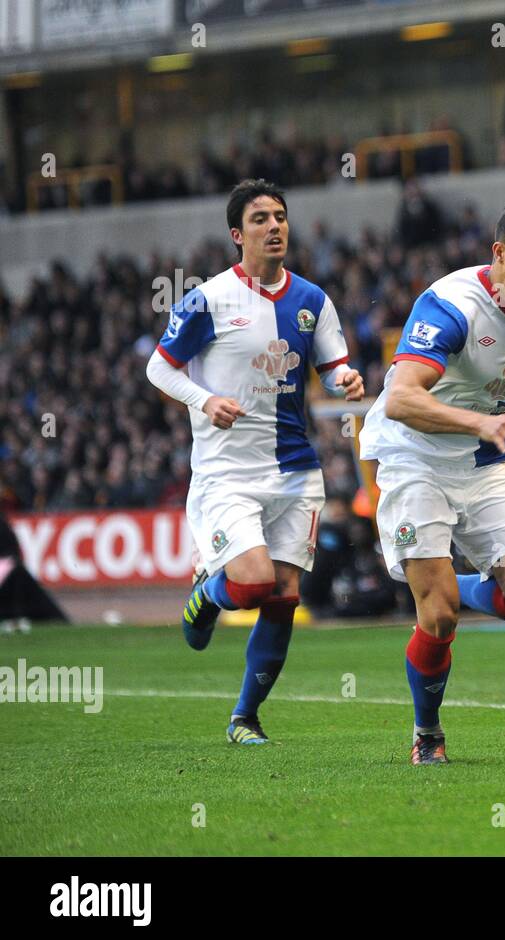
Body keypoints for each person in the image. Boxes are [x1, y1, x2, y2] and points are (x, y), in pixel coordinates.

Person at [358, 201, 505, 765]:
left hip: (483, 462)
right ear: (499, 253)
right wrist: (481, 420)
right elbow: (402, 398)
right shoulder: (450, 307)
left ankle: (450, 586)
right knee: (437, 618)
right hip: (414, 456)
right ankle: (428, 732)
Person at [146, 178, 365, 745]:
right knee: (250, 584)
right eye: (262, 218)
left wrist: (345, 380)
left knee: (284, 595)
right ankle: (206, 595)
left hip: (296, 469)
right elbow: (159, 368)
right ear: (236, 234)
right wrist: (204, 399)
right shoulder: (207, 299)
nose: (275, 226)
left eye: (281, 216)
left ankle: (245, 717)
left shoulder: (313, 301)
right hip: (228, 473)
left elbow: (333, 366)